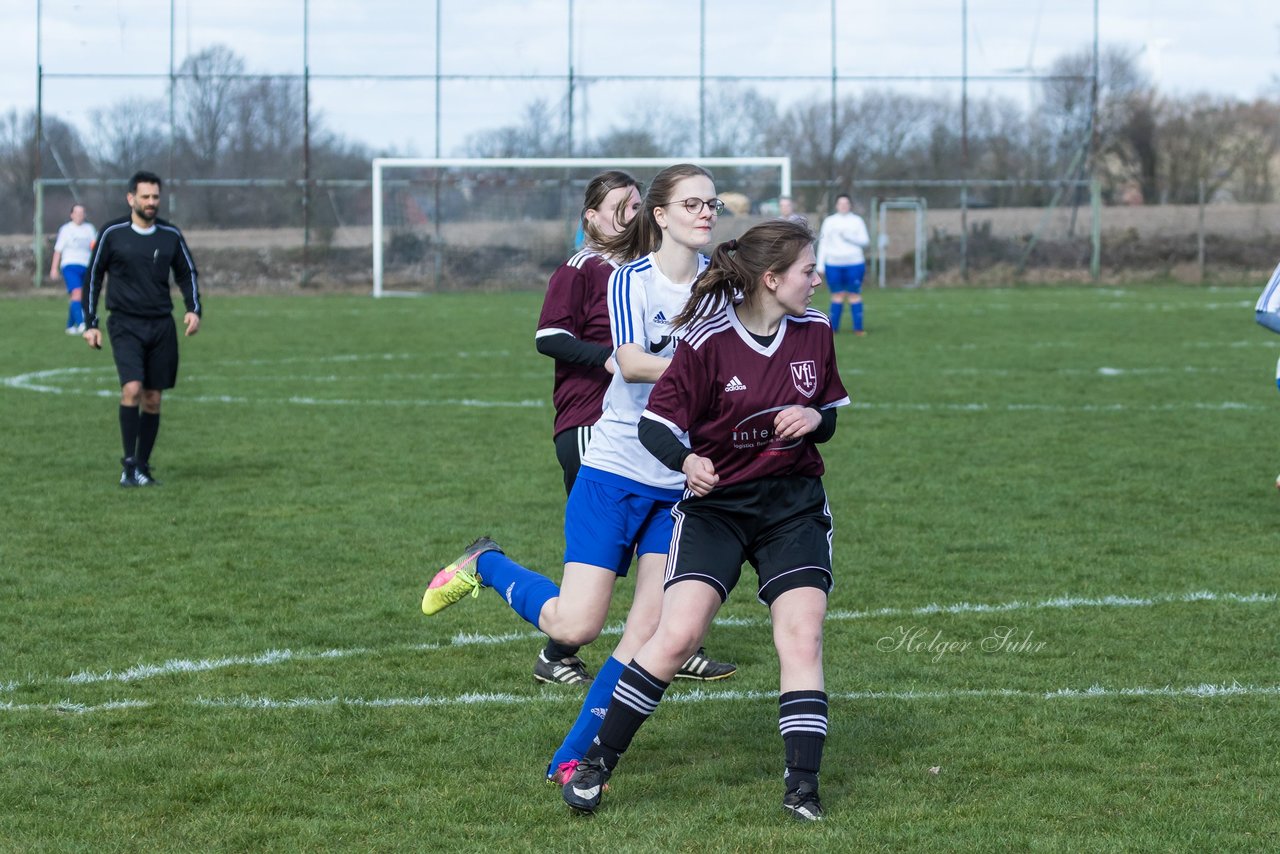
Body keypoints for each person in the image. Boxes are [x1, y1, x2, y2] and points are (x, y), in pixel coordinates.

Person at [422, 164, 736, 783]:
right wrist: (703, 371)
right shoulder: (624, 279)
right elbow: (630, 362)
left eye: (713, 203)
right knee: (578, 623)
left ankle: (575, 758)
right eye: (694, 203)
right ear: (661, 214)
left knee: (647, 630)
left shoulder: (721, 287)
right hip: (615, 467)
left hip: (679, 482)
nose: (707, 213)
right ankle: (487, 563)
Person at [561, 219, 850, 822]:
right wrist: (688, 459)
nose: (816, 278)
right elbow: (657, 425)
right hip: (716, 509)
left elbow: (828, 413)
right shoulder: (707, 338)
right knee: (677, 636)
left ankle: (802, 788)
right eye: (807, 269)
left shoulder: (816, 330)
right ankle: (597, 764)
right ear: (771, 279)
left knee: (802, 635)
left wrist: (813, 419)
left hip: (791, 507)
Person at [531, 171, 735, 686]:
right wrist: (616, 360)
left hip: (669, 445)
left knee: (656, 588)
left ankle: (673, 643)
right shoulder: (589, 270)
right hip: (593, 421)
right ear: (591, 217)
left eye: (634, 204)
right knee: (590, 591)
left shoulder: (688, 271)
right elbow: (551, 337)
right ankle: (560, 646)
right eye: (619, 207)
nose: (630, 215)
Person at [83, 170, 202, 487]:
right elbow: (93, 277)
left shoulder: (170, 235)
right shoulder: (113, 233)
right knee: (132, 389)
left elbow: (187, 273)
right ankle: (128, 465)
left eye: (155, 197)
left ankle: (143, 467)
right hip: (125, 323)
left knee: (152, 399)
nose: (151, 202)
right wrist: (90, 323)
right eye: (146, 196)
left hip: (161, 325)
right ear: (130, 198)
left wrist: (193, 309)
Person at [816, 193, 869, 335]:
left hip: (854, 263)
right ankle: (833, 329)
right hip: (833, 264)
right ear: (836, 205)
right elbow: (823, 243)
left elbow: (865, 241)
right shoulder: (829, 221)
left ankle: (858, 328)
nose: (843, 206)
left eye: (846, 203)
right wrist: (820, 265)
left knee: (854, 294)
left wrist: (849, 237)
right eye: (841, 203)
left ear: (850, 205)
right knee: (837, 295)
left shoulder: (857, 221)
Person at [49, 203, 97, 335]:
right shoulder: (66, 229)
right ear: (71, 215)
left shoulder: (89, 229)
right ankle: (82, 323)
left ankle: (70, 326)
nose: (79, 216)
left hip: (86, 266)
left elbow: (94, 247)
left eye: (82, 213)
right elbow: (58, 250)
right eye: (77, 213)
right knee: (77, 293)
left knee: (81, 296)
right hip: (70, 265)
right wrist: (54, 268)